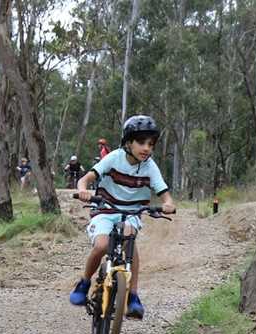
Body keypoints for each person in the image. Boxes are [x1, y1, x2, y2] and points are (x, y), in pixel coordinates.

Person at [69, 115, 176, 319]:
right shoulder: (114, 157)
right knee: (101, 246)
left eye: (151, 144)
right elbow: (87, 178)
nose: (146, 148)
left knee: (129, 240)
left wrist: (168, 204)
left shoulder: (150, 166)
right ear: (128, 142)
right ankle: (84, 283)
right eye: (141, 142)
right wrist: (83, 189)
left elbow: (164, 192)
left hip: (132, 212)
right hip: (105, 209)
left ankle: (133, 296)